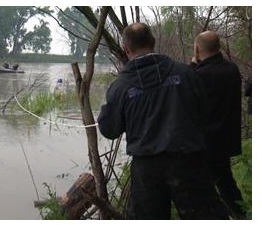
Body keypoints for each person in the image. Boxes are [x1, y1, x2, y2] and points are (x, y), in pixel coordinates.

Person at [97, 23, 229, 220]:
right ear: (153, 42)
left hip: (147, 170)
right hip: (188, 161)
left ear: (126, 49)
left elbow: (109, 130)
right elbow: (204, 113)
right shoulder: (185, 73)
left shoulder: (121, 87)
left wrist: (108, 112)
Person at [191, 31, 245, 219]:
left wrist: (192, 65)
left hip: (204, 142)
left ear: (197, 49)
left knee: (203, 190)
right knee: (226, 183)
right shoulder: (231, 69)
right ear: (219, 47)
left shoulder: (198, 75)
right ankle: (242, 215)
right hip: (226, 138)